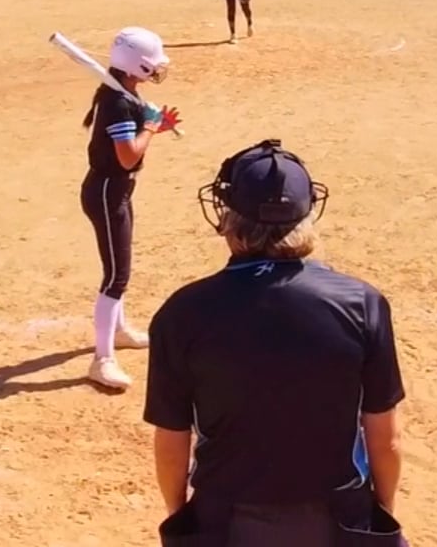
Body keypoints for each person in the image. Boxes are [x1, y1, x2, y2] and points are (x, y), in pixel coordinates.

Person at [145, 140, 407, 547]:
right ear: (307, 215)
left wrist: (181, 518)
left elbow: (171, 444)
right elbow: (386, 441)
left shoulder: (182, 312)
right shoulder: (362, 303)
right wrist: (381, 513)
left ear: (228, 219)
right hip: (337, 521)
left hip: (226, 522)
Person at [79, 27, 181, 391]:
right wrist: (151, 128)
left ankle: (119, 330)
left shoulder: (123, 94)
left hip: (117, 191)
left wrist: (154, 127)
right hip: (108, 192)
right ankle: (102, 360)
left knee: (120, 269)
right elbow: (127, 157)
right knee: (116, 276)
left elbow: (127, 146)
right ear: (137, 65)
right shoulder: (118, 103)